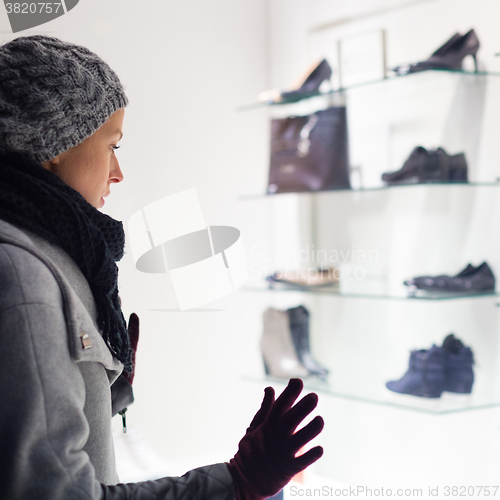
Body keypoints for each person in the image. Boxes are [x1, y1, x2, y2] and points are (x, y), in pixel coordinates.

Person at [0, 35, 324, 500]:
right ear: (53, 143)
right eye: (111, 145)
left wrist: (102, 393)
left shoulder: (45, 252)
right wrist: (237, 482)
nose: (117, 172)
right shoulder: (23, 273)